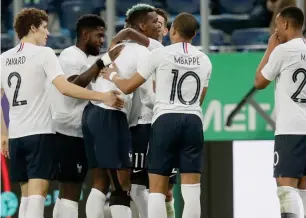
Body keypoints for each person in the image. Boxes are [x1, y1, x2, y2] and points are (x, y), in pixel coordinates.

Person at [0, 8, 123, 218]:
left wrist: (3, 133)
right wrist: (102, 97)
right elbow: (65, 88)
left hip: (16, 136)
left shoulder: (4, 57)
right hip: (40, 132)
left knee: (27, 197)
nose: (48, 33)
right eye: (44, 28)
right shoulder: (44, 53)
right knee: (39, 195)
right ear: (32, 28)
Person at [101, 12, 211, 218]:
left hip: (165, 121)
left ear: (174, 31)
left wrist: (112, 74)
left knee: (157, 189)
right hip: (193, 120)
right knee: (192, 190)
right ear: (195, 35)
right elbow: (200, 99)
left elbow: (127, 87)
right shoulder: (205, 60)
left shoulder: (159, 55)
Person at [81, 4, 160, 218]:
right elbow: (146, 96)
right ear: (141, 27)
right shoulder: (143, 52)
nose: (160, 27)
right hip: (110, 114)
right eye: (155, 22)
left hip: (91, 112)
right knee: (122, 185)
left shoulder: (115, 49)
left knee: (100, 181)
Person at [50, 14, 123, 218]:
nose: (102, 40)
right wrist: (104, 61)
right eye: (98, 36)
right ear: (84, 34)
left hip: (86, 131)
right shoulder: (69, 56)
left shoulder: (92, 59)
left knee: (72, 189)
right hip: (67, 130)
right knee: (71, 189)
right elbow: (75, 85)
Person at [254, 6, 306, 218]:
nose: (275, 31)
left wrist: (270, 49)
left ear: (285, 24)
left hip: (290, 129)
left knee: (286, 186)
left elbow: (259, 82)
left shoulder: (283, 51)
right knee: (303, 187)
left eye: (276, 25)